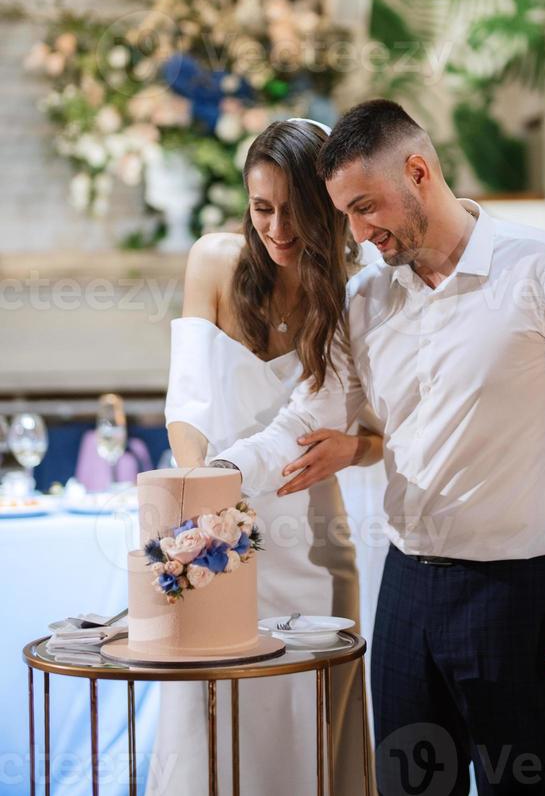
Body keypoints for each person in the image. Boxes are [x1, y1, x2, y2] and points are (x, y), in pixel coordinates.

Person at [211, 99, 545, 794]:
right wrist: (217, 475)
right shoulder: (365, 299)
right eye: (345, 214)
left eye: (366, 207)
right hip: (408, 590)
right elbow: (305, 417)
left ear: (419, 171)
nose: (357, 232)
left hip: (520, 591)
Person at [148, 117, 382, 796]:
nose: (278, 228)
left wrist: (357, 447)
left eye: (296, 210)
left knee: (305, 727)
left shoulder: (353, 294)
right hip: (212, 535)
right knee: (206, 724)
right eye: (262, 208)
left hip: (313, 544)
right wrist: (202, 506)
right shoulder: (213, 261)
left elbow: (371, 433)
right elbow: (187, 403)